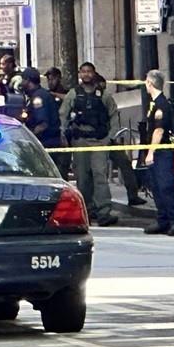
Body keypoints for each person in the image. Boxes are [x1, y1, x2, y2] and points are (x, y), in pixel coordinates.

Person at [59, 62, 120, 227]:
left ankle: (104, 211)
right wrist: (63, 134)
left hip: (99, 141)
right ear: (80, 74)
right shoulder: (73, 94)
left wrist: (110, 138)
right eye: (83, 72)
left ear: (94, 73)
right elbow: (63, 115)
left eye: (89, 72)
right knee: (82, 177)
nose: (86, 75)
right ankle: (86, 210)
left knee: (100, 175)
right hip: (80, 141)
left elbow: (114, 116)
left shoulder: (104, 95)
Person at [141, 69, 174, 236]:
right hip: (157, 151)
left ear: (150, 83)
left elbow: (159, 131)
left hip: (162, 151)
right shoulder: (153, 103)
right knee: (156, 187)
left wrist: (151, 152)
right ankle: (162, 220)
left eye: (146, 81)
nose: (145, 84)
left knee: (165, 187)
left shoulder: (161, 105)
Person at [21, 68, 67, 178]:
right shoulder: (40, 94)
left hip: (46, 143)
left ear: (28, 80)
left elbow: (43, 124)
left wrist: (28, 137)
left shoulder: (38, 98)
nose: (22, 83)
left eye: (23, 80)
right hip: (49, 142)